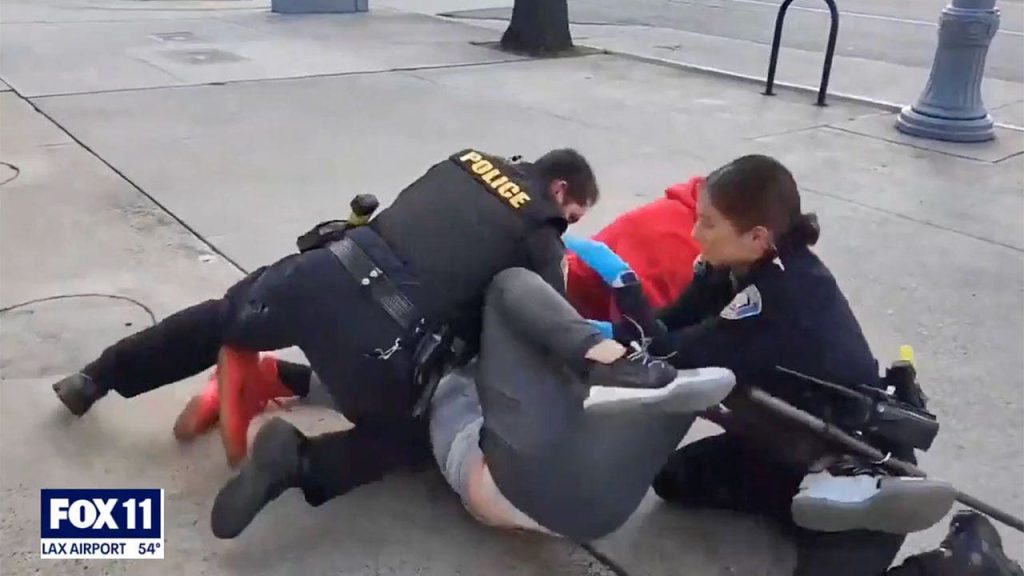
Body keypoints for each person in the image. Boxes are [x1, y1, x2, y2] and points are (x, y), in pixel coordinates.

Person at [48, 147, 680, 537]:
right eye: (573, 217)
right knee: (408, 436)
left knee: (218, 319)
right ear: (561, 192)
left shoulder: (464, 160)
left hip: (317, 276)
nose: (568, 228)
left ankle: (97, 377)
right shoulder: (541, 237)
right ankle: (298, 462)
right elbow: (531, 325)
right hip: (380, 344)